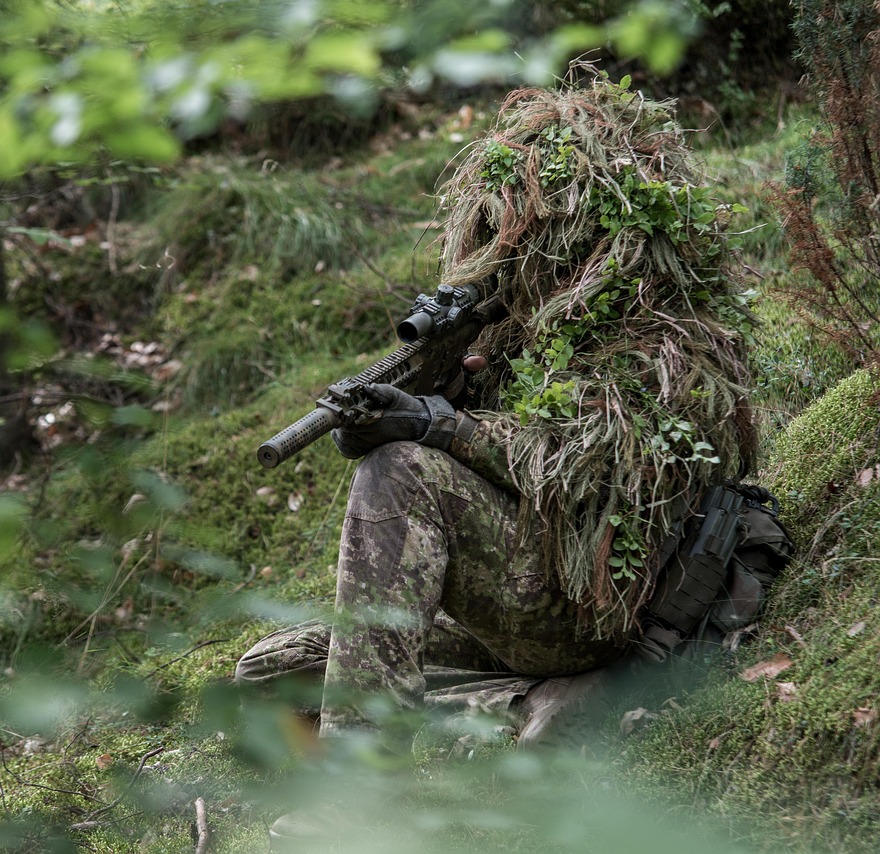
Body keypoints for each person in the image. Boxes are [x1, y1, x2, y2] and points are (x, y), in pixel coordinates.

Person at [234, 76, 791, 845]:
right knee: (268, 674)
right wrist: (419, 382)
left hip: (592, 599)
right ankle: (527, 712)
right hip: (510, 613)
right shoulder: (511, 329)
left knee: (398, 474)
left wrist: (437, 430)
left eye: (522, 230)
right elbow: (433, 428)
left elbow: (588, 468)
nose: (506, 250)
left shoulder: (661, 334)